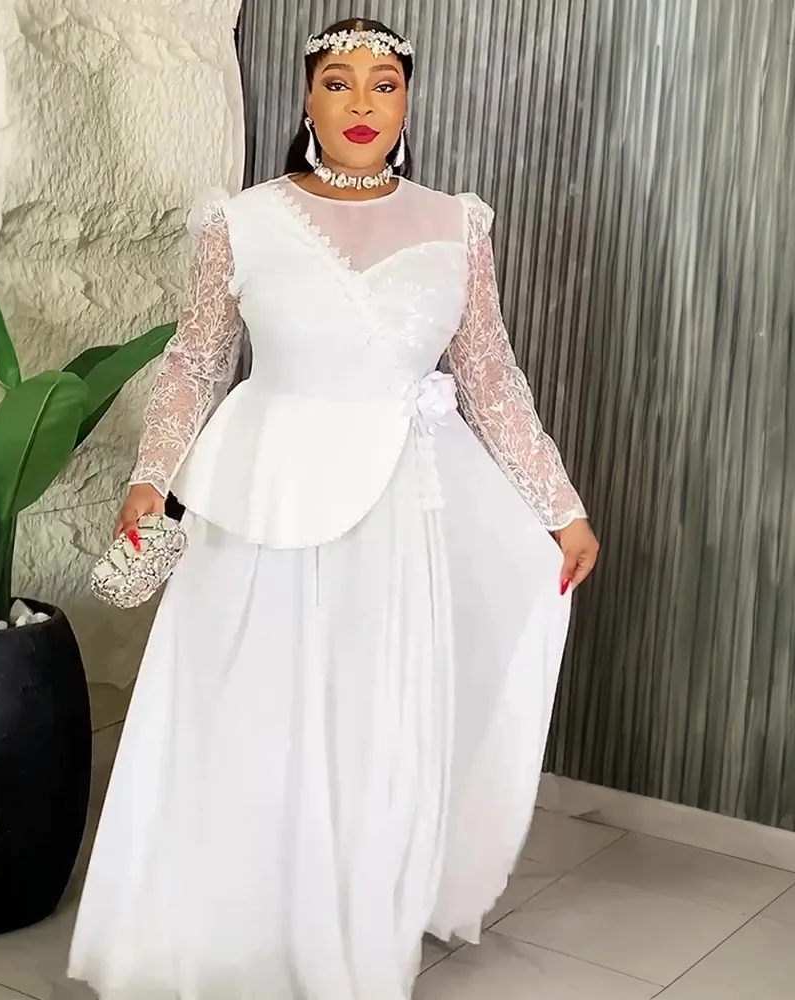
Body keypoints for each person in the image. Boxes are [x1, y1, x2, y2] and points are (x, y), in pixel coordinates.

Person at [68, 15, 599, 1000]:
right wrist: (152, 474)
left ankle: (352, 930)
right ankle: (233, 921)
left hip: (401, 508)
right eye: (339, 81)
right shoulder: (241, 221)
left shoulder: (456, 226)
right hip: (261, 500)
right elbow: (195, 361)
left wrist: (559, 506)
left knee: (373, 714)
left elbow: (490, 377)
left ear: (406, 102)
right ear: (306, 98)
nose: (362, 103)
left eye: (383, 84)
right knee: (247, 709)